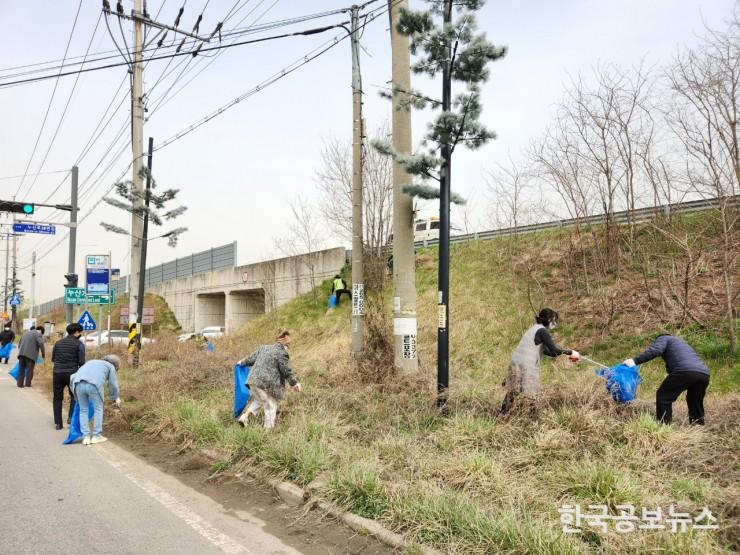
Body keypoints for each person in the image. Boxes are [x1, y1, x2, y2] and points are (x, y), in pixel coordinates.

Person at [501, 308, 580, 413]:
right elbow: (555, 351)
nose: (554, 323)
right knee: (532, 395)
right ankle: (533, 417)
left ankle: (502, 414)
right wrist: (570, 352)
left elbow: (549, 352)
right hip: (527, 365)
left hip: (516, 362)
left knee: (512, 391)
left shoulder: (534, 329)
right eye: (554, 320)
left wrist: (567, 354)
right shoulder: (542, 331)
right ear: (548, 319)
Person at [624, 334, 710, 425]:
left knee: (663, 396)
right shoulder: (681, 343)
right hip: (704, 374)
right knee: (695, 400)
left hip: (684, 371)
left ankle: (664, 426)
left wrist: (635, 361)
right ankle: (698, 426)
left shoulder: (663, 338)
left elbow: (655, 350)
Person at [236, 331, 302, 429]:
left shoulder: (264, 348)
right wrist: (295, 383)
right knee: (271, 405)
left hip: (252, 381)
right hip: (265, 385)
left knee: (259, 400)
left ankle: (245, 417)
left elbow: (250, 359)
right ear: (286, 345)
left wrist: (241, 362)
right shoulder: (282, 353)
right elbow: (286, 371)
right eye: (288, 346)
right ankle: (268, 431)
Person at [70, 354, 122, 445]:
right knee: (98, 409)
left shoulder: (91, 361)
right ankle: (96, 436)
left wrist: (74, 391)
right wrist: (115, 398)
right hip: (93, 385)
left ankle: (85, 436)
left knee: (83, 410)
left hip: (77, 384)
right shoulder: (110, 366)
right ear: (115, 365)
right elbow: (113, 384)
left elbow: (73, 376)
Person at [51, 323, 85, 430]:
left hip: (57, 373)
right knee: (74, 396)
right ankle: (71, 418)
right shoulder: (79, 344)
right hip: (72, 374)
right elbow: (82, 362)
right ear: (76, 332)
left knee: (57, 398)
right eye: (80, 332)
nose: (81, 334)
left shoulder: (58, 343)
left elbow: (53, 359)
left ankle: (58, 423)